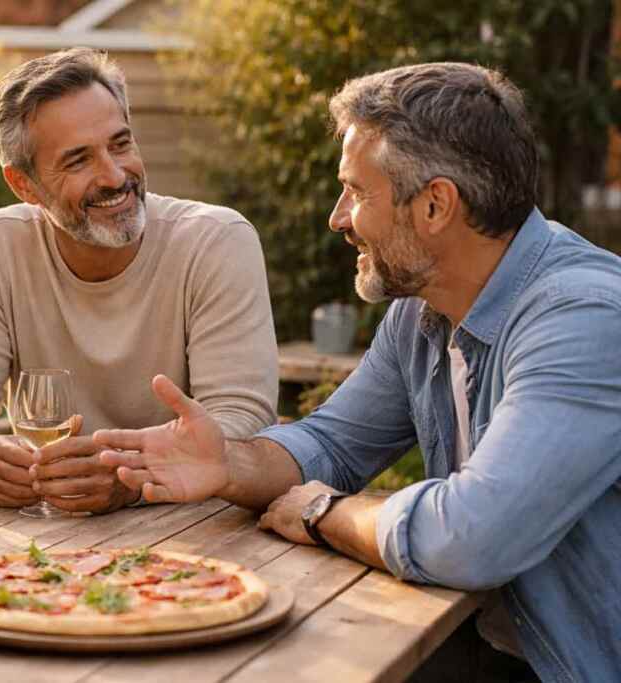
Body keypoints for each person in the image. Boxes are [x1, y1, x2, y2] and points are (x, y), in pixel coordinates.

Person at [94, 62, 621, 682]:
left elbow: (473, 538)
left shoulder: (583, 318)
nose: (338, 218)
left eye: (357, 191)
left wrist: (325, 515)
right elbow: (334, 442)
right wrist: (228, 463)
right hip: (476, 641)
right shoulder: (423, 311)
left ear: (435, 205)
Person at [0, 48, 278, 514]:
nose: (114, 176)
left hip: (191, 527)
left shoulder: (216, 241)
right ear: (23, 186)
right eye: (78, 161)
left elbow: (241, 421)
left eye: (121, 144)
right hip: (38, 535)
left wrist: (134, 476)